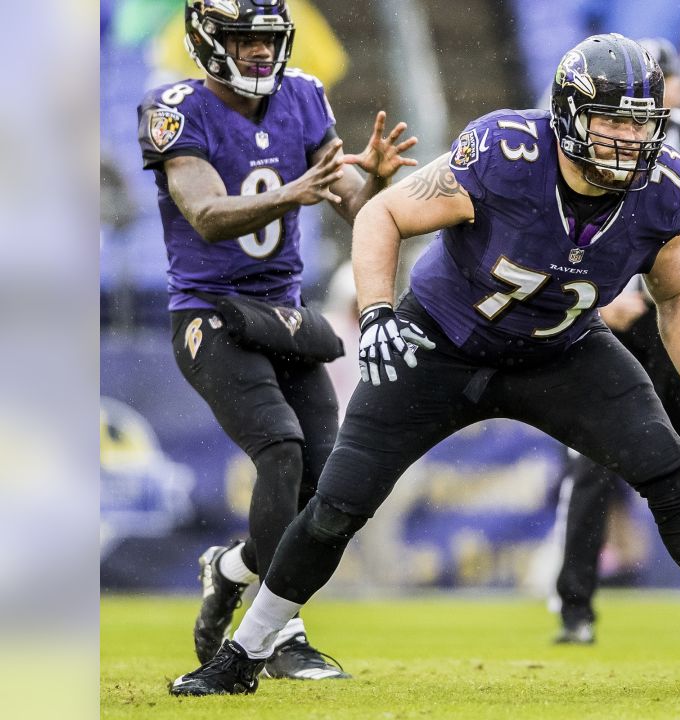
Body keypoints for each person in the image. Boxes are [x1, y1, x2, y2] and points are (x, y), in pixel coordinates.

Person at [168, 33, 680, 697]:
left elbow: (679, 289)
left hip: (559, 349)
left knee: (674, 470)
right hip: (439, 345)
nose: (628, 139)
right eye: (612, 120)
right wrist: (375, 312)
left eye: (640, 123)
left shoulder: (664, 187)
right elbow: (382, 215)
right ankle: (244, 654)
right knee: (339, 503)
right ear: (569, 116)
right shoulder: (508, 153)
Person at [138, 0, 417, 680]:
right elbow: (204, 215)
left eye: (267, 40)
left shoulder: (303, 97)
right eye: (243, 39)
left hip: (284, 317)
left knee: (329, 483)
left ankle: (229, 568)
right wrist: (294, 193)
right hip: (211, 314)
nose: (260, 53)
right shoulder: (173, 108)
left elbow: (354, 206)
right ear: (207, 40)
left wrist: (377, 183)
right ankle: (281, 630)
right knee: (282, 449)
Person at [552, 37, 680, 645]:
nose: (640, 104)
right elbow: (571, 231)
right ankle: (575, 607)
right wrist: (599, 289)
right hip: (614, 318)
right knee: (591, 459)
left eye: (655, 86)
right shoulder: (584, 150)